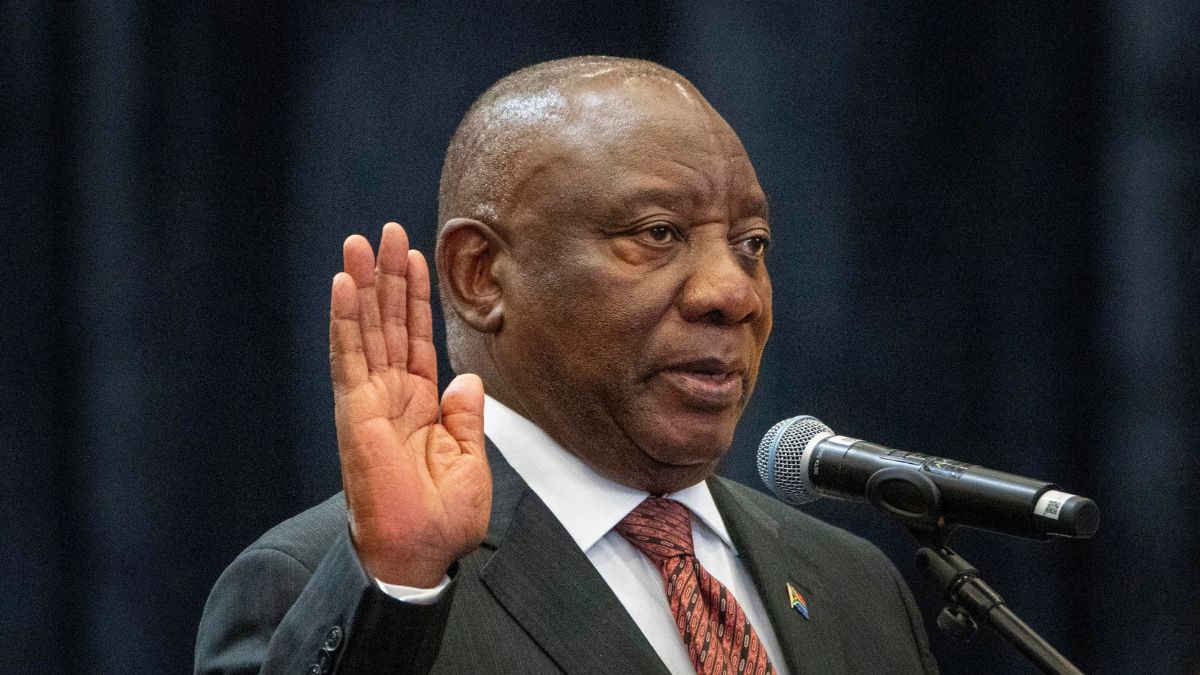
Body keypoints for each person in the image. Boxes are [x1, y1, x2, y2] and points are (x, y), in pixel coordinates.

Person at [195, 56, 938, 674]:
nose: (733, 292)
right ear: (481, 274)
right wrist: (396, 590)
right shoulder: (340, 584)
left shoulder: (855, 585)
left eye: (752, 244)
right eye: (658, 233)